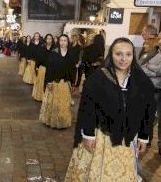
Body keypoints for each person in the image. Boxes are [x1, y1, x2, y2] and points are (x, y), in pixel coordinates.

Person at [65, 38, 156, 181]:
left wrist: (144, 136)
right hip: (101, 138)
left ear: (133, 55)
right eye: (118, 54)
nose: (123, 59)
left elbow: (148, 110)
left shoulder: (141, 80)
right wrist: (88, 134)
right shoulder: (98, 78)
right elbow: (88, 107)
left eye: (128, 54)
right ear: (111, 54)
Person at [39, 34, 74, 128]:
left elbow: (72, 69)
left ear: (68, 42)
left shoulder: (70, 54)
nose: (63, 42)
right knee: (54, 104)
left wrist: (72, 82)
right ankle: (53, 121)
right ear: (59, 42)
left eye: (65, 40)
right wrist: (49, 81)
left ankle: (63, 121)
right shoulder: (54, 53)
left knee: (64, 104)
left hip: (64, 83)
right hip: (54, 82)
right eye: (61, 40)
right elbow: (50, 68)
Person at [140, 31, 161, 155]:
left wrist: (151, 67)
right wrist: (155, 72)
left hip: (158, 89)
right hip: (151, 89)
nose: (159, 41)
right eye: (158, 38)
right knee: (149, 116)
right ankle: (147, 139)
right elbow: (142, 67)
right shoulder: (156, 52)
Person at [32, 34, 54, 101]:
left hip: (51, 69)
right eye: (48, 38)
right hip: (43, 68)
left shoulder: (55, 49)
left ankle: (48, 99)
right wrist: (37, 67)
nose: (49, 40)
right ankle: (40, 96)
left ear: (52, 40)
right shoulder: (42, 47)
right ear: (45, 39)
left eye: (50, 38)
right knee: (41, 83)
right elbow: (38, 58)